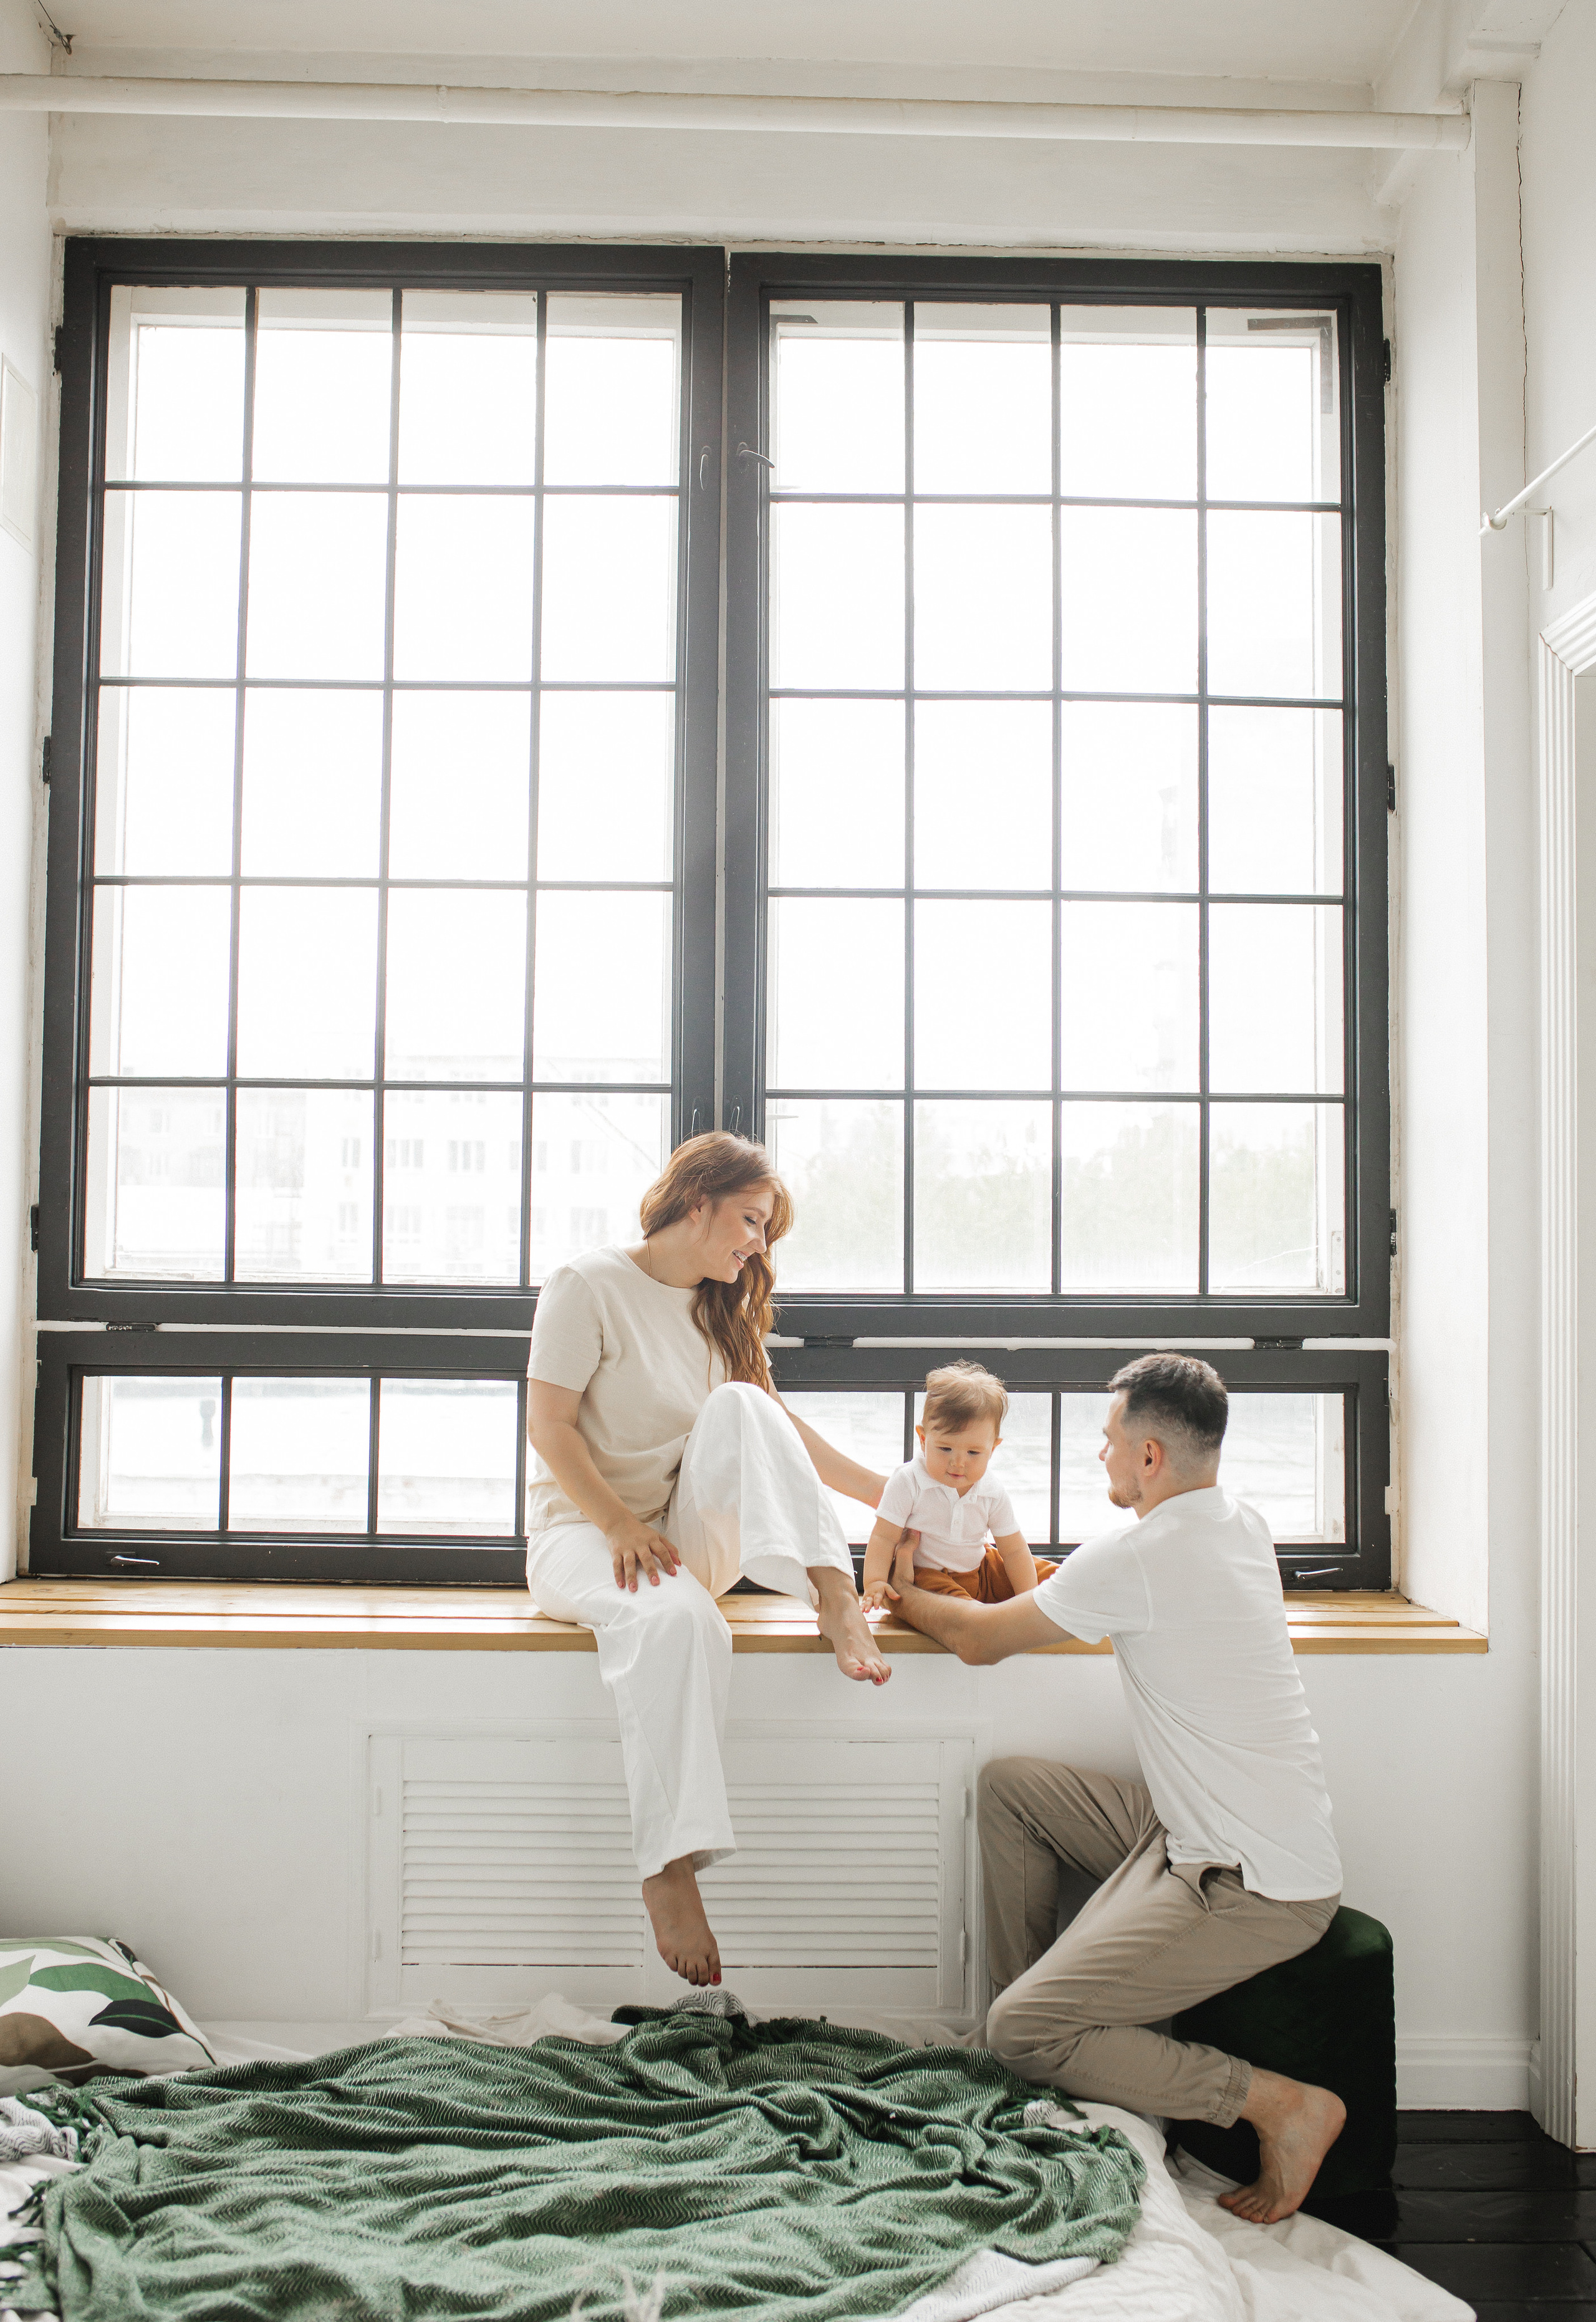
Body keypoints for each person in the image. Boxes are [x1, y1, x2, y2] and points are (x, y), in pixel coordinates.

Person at [884, 1351, 1346, 2226]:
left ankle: (1281, 2105)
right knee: (1014, 1789)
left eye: (1107, 1442)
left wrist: (902, 1592)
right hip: (1187, 1829)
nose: (1099, 1456)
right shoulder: (1235, 1522)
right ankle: (1032, 2051)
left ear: (1149, 1459)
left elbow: (980, 1641)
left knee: (1025, 2030)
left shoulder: (1143, 1553)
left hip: (1253, 1885)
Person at [524, 1132, 891, 1993]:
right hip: (584, 1529)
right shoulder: (588, 1285)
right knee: (683, 1618)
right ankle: (671, 1863)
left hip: (681, 1526)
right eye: (752, 1221)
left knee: (744, 1403)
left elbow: (775, 1435)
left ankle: (833, 1594)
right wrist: (615, 1523)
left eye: (767, 1232)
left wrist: (896, 1499)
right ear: (699, 1201)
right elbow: (550, 1428)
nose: (758, 1245)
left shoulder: (721, 1309)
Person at [860, 1361, 1057, 1611]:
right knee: (956, 1609)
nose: (958, 1463)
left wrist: (1029, 1599)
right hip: (929, 1576)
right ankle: (979, 1616)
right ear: (923, 1439)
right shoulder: (909, 1481)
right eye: (945, 1449)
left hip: (981, 1571)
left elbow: (1015, 1550)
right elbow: (883, 1537)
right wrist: (875, 1582)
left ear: (993, 1449)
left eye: (974, 1452)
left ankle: (1062, 1601)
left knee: (1053, 1577)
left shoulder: (991, 1492)